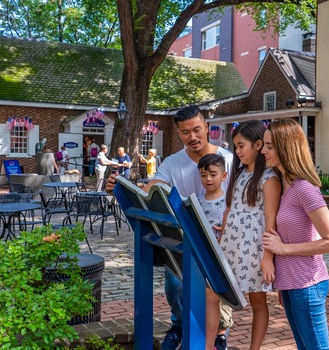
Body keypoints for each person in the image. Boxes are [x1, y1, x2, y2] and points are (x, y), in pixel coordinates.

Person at [105, 105, 234, 350]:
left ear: (207, 127)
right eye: (185, 132)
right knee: (175, 282)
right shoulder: (173, 163)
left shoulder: (228, 160)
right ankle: (179, 324)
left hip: (220, 239)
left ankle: (219, 332)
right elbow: (151, 188)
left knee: (217, 289)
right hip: (182, 240)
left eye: (197, 129)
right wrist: (119, 186)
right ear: (178, 132)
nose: (192, 137)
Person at [261, 118, 329, 350]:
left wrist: (283, 249)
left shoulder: (304, 188)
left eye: (270, 146)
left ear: (286, 147)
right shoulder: (285, 184)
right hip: (292, 285)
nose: (264, 151)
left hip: (308, 285)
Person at [220, 120, 281, 350]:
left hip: (254, 248)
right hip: (231, 244)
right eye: (235, 147)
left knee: (257, 301)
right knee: (217, 294)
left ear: (258, 145)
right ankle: (215, 340)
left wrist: (268, 257)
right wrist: (221, 238)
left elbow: (270, 220)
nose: (237, 151)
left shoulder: (269, 178)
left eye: (241, 146)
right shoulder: (237, 173)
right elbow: (229, 209)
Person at [196, 154, 234, 350]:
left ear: (224, 175)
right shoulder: (198, 202)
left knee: (224, 299)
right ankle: (209, 341)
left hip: (224, 257)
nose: (208, 179)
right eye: (203, 175)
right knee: (208, 298)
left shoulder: (229, 202)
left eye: (212, 174)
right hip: (205, 257)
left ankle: (221, 335)